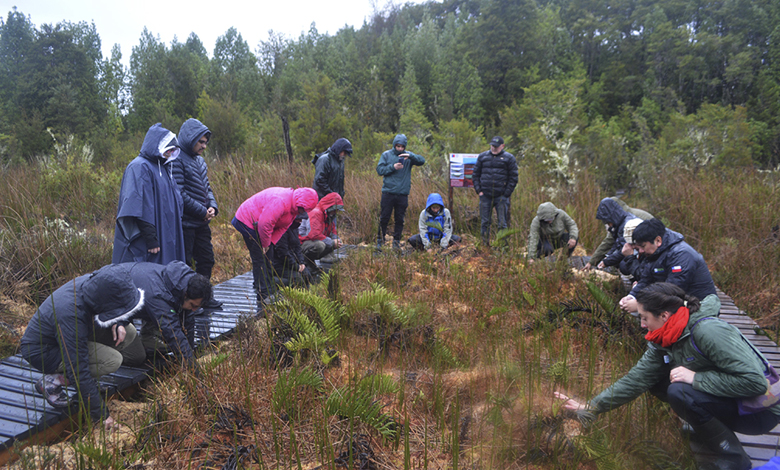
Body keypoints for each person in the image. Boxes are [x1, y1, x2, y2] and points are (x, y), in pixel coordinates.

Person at [556, 283, 776, 469]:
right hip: (735, 402)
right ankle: (708, 430)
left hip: (760, 411)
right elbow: (637, 379)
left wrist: (695, 379)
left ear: (664, 315)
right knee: (658, 382)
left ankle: (735, 460)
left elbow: (755, 383)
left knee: (679, 390)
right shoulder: (665, 337)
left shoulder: (708, 331)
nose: (642, 325)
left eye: (644, 318)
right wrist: (592, 407)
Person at [19, 264, 145, 430]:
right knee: (112, 361)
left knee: (128, 332)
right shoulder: (70, 313)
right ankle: (52, 381)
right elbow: (78, 367)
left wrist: (119, 322)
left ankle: (85, 382)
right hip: (44, 351)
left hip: (77, 332)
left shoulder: (96, 286)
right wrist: (101, 415)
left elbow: (115, 306)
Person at [113, 123, 185, 265]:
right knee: (148, 277)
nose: (169, 154)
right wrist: (151, 239)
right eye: (168, 149)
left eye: (172, 150)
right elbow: (136, 205)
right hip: (149, 242)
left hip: (166, 235)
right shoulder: (139, 167)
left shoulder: (164, 168)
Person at [232, 187, 318, 305]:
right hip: (247, 221)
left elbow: (283, 227)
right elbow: (265, 224)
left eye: (304, 210)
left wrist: (270, 243)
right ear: (299, 202)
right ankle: (263, 295)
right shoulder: (281, 201)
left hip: (261, 226)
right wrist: (265, 244)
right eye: (301, 209)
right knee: (260, 259)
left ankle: (267, 289)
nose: (302, 212)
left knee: (269, 256)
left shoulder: (294, 210)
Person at [118, 261, 212, 369]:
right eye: (193, 305)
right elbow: (172, 333)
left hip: (138, 298)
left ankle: (146, 339)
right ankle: (108, 349)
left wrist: (190, 355)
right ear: (186, 295)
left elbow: (188, 322)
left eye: (197, 307)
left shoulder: (185, 285)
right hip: (111, 311)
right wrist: (193, 369)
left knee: (166, 315)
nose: (194, 310)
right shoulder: (158, 295)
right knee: (137, 357)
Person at [172, 118, 221, 308]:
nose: (204, 146)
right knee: (185, 266)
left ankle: (204, 298)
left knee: (207, 259)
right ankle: (186, 303)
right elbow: (179, 193)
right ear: (189, 139)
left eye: (205, 142)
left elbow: (207, 188)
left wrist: (213, 207)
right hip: (186, 224)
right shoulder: (176, 159)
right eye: (200, 142)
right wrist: (202, 211)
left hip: (202, 223)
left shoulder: (200, 161)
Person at [619, 218, 717, 313]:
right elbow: (646, 279)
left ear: (658, 240)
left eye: (643, 246)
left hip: (700, 308)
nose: (640, 251)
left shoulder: (681, 254)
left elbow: (673, 289)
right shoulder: (654, 252)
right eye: (638, 247)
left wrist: (641, 304)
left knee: (647, 311)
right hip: (679, 303)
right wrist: (631, 296)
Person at [376, 134, 426, 250]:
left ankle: (396, 242)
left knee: (400, 219)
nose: (400, 149)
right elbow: (379, 170)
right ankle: (380, 240)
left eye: (402, 146)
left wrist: (410, 156)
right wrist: (393, 167)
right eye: (398, 146)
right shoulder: (386, 155)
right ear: (394, 145)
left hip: (402, 194)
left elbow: (422, 161)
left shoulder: (408, 157)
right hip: (388, 193)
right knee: (384, 218)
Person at [583, 197, 652, 271]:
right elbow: (615, 242)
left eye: (607, 222)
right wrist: (604, 258)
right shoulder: (621, 220)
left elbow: (621, 247)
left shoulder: (627, 223)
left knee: (624, 265)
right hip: (645, 247)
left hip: (649, 248)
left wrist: (607, 261)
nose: (607, 224)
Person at [473, 136, 518, 245]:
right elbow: (475, 175)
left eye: (496, 147)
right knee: (485, 222)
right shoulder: (483, 157)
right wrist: (479, 191)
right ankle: (484, 246)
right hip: (485, 196)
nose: (494, 148)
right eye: (492, 146)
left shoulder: (509, 158)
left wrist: (506, 194)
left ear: (502, 146)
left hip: (501, 196)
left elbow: (514, 177)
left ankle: (503, 247)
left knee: (502, 224)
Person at [300, 192, 345, 271]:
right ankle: (307, 261)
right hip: (302, 242)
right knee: (320, 245)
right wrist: (332, 242)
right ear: (330, 207)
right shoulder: (316, 213)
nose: (336, 212)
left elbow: (333, 232)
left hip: (314, 241)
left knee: (335, 242)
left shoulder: (328, 216)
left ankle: (326, 257)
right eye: (335, 209)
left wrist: (337, 241)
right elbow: (314, 235)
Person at [270, 212, 310, 287]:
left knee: (307, 275)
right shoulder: (282, 230)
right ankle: (272, 282)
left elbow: (298, 247)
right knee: (298, 279)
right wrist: (296, 266)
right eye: (299, 219)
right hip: (279, 264)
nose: (301, 221)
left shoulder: (294, 229)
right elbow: (282, 252)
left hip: (292, 262)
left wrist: (301, 262)